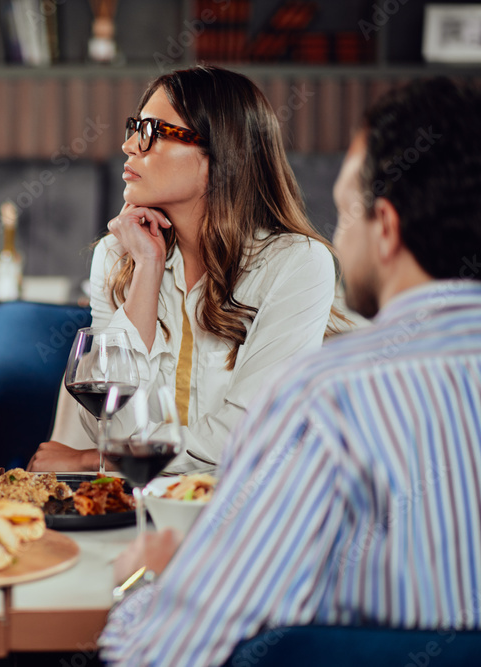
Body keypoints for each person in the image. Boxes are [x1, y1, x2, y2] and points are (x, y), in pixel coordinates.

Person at [100, 77, 481, 667]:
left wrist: (150, 583)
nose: (336, 233)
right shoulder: (123, 256)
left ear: (385, 226)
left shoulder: (324, 397)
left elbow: (159, 654)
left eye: (346, 208)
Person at [29, 66, 347, 473]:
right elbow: (110, 422)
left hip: (247, 512)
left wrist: (99, 459)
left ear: (219, 155)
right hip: (134, 514)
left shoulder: (298, 264)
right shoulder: (118, 254)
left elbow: (249, 434)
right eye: (133, 128)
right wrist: (147, 268)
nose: (129, 145)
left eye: (151, 132)